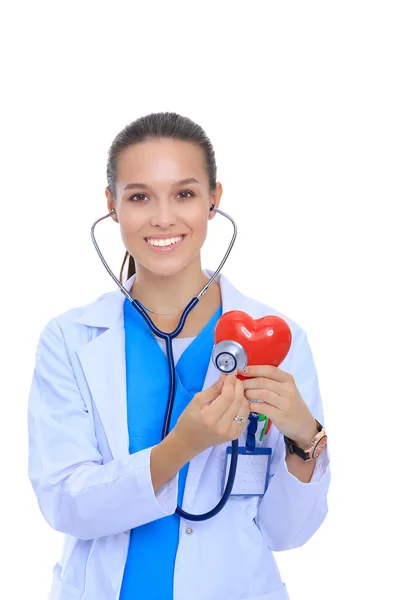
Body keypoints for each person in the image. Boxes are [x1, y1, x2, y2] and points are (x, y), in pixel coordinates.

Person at [27, 112, 331, 600]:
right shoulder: (71, 339)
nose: (163, 217)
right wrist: (180, 448)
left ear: (215, 201)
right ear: (112, 205)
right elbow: (65, 503)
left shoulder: (278, 338)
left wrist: (303, 437)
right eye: (140, 196)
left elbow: (285, 534)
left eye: (185, 194)